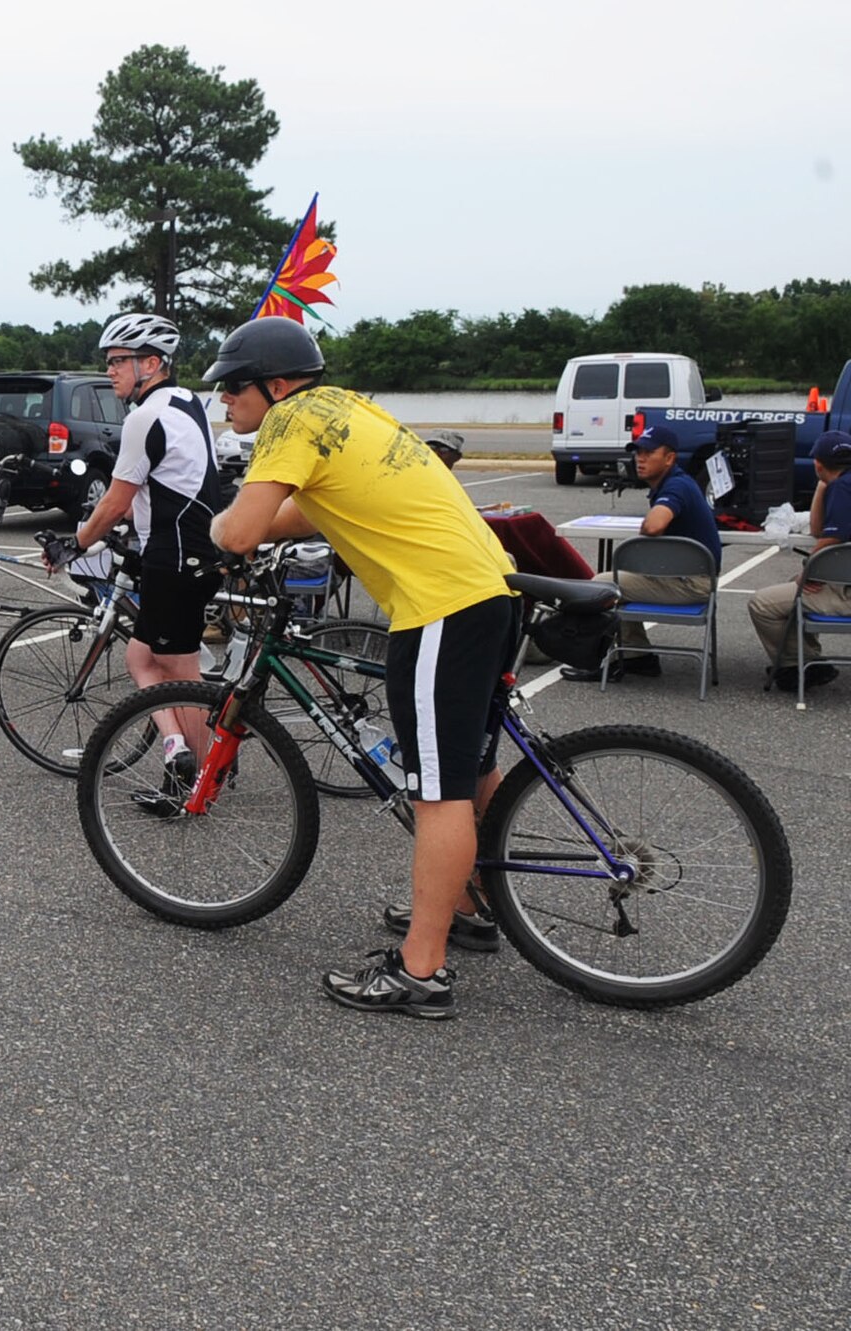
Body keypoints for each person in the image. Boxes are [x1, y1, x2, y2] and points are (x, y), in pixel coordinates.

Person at [205, 316, 521, 1020]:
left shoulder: (289, 421)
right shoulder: (347, 408)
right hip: (492, 589)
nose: (226, 402)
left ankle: (422, 970)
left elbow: (245, 528)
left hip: (440, 606)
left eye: (233, 387)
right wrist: (253, 524)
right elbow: (315, 511)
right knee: (471, 766)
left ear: (276, 385)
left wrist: (218, 531)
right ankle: (470, 904)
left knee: (435, 789)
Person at [58, 313, 226, 814]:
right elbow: (151, 490)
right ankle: (178, 750)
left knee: (181, 675)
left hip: (175, 556)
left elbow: (114, 501)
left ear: (151, 363)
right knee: (140, 658)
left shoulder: (144, 417)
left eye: (118, 362)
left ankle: (199, 785)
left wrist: (76, 541)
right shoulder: (185, 402)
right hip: (186, 548)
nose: (110, 372)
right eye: (108, 362)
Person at [557, 424, 721, 684]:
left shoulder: (677, 485)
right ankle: (636, 656)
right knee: (617, 582)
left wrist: (647, 525)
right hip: (688, 579)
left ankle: (614, 655)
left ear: (669, 458)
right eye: (638, 453)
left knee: (603, 585)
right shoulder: (673, 483)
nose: (640, 459)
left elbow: (655, 525)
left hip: (692, 584)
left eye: (648, 453)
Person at [746, 430, 851, 691]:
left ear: (817, 463)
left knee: (763, 603)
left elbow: (831, 540)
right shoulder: (841, 483)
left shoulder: (843, 486)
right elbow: (818, 530)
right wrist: (823, 484)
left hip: (846, 593)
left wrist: (806, 574)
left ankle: (800, 664)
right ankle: (807, 659)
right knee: (790, 597)